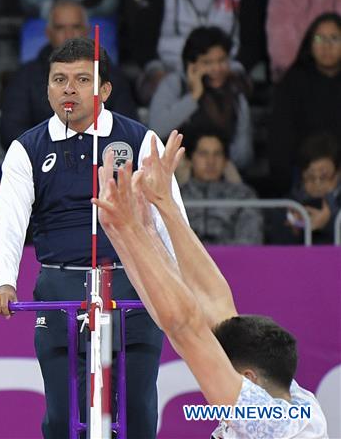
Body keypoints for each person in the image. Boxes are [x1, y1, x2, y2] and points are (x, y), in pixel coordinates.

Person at [0, 37, 186, 439]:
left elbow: (171, 217)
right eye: (58, 79)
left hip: (134, 285)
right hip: (60, 284)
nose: (69, 89)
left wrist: (181, 281)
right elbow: (9, 219)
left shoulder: (141, 140)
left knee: (138, 416)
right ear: (47, 88)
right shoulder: (26, 149)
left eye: (81, 79)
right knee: (61, 419)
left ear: (105, 90)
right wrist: (4, 281)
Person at [93, 130, 327, 438]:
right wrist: (156, 214)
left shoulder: (273, 424)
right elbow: (213, 307)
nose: (209, 366)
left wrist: (130, 231)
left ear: (249, 380)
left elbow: (186, 329)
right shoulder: (295, 401)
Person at [0, 0, 137, 148]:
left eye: (76, 27)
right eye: (60, 28)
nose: (69, 34)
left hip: (99, 165)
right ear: (49, 33)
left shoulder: (111, 76)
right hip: (42, 166)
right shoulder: (24, 78)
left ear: (87, 30)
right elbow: (11, 133)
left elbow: (127, 132)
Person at [127, 0, 247, 103]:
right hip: (170, 71)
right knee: (160, 87)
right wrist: (156, 70)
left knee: (233, 88)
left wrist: (231, 69)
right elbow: (143, 43)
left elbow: (251, 42)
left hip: (223, 70)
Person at [149, 26, 253, 170]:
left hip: (221, 172)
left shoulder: (235, 92)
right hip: (178, 170)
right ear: (191, 65)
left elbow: (244, 155)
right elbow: (156, 130)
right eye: (207, 63)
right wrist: (193, 97)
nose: (217, 68)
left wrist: (217, 162)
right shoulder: (176, 85)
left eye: (222, 60)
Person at [268, 13, 341, 194]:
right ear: (310, 42)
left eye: (334, 38)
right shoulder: (293, 81)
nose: (326, 46)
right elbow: (281, 137)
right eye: (319, 38)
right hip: (302, 174)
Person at [179, 131, 262, 244]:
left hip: (233, 260)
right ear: (190, 160)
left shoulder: (243, 196)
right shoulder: (176, 195)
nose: (211, 161)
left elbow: (250, 241)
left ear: (225, 161)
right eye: (203, 154)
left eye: (217, 154)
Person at [269, 133, 341, 245]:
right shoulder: (287, 206)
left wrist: (329, 222)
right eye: (310, 177)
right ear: (301, 174)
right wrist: (295, 230)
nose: (317, 184)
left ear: (337, 174)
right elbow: (277, 252)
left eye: (324, 177)